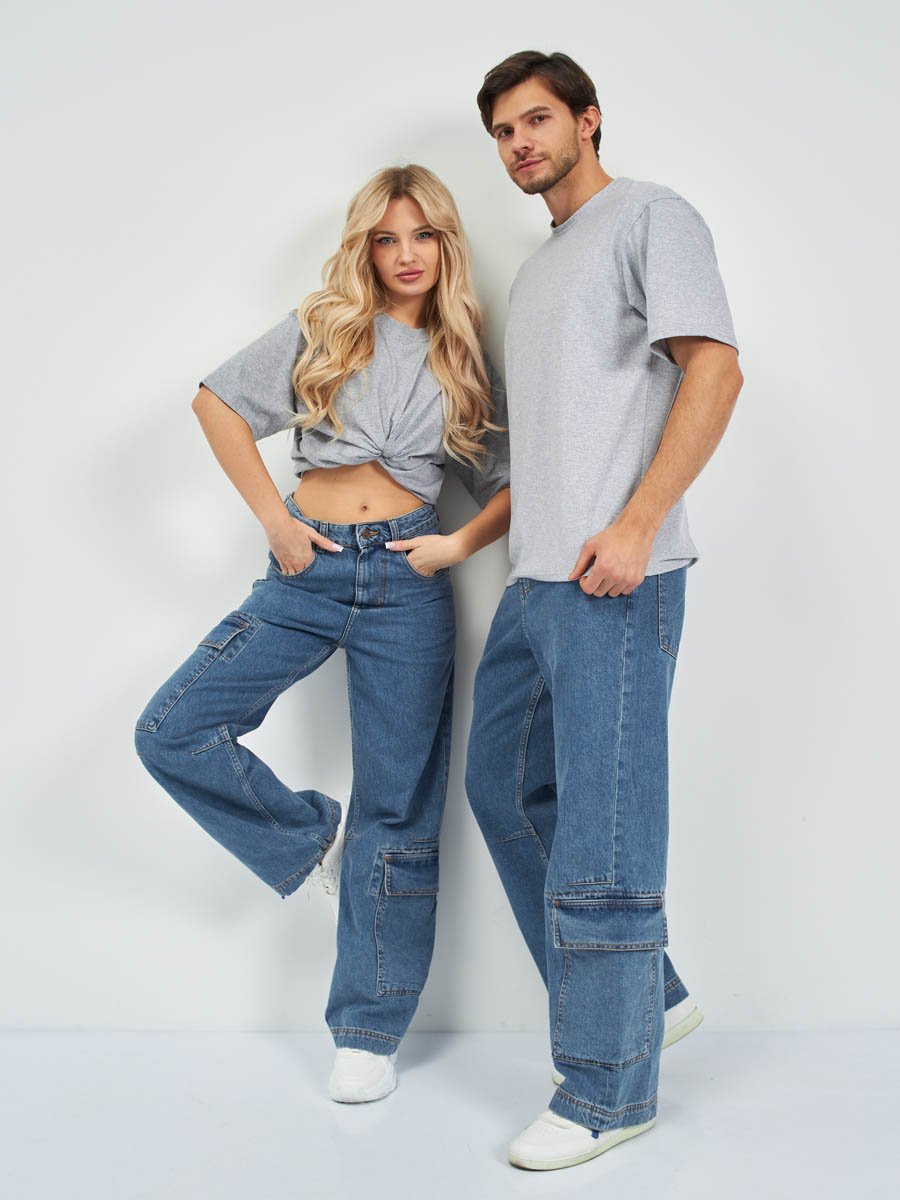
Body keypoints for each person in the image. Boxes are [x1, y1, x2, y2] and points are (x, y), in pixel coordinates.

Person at [134, 164, 510, 1105]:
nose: (406, 255)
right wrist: (275, 522)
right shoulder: (325, 326)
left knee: (399, 807)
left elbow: (515, 479)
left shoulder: (464, 356)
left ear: (446, 244)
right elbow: (216, 404)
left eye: (422, 236)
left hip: (409, 582)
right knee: (173, 730)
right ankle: (311, 841)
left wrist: (458, 544)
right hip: (307, 567)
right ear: (364, 249)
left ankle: (368, 1034)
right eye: (386, 239)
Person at [465, 51, 743, 1170]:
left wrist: (636, 525)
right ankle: (649, 999)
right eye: (502, 131)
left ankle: (608, 1090)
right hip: (534, 580)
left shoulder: (649, 217)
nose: (520, 143)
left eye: (537, 119)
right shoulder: (542, 268)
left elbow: (714, 370)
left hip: (616, 575)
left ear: (588, 120)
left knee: (604, 833)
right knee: (502, 790)